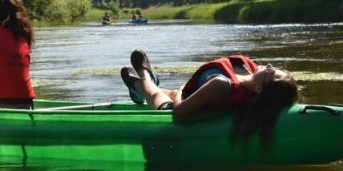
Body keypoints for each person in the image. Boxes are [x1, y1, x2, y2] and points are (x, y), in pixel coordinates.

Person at [120, 49, 299, 144]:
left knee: (155, 92)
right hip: (194, 95)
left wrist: (182, 90)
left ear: (259, 89)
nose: (269, 65)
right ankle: (137, 87)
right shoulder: (246, 67)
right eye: (275, 68)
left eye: (271, 73)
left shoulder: (221, 86)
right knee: (173, 92)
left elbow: (178, 113)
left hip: (176, 107)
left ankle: (143, 76)